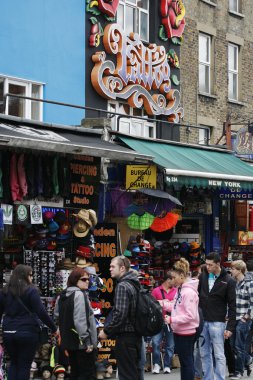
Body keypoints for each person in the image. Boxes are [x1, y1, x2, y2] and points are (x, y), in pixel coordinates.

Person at [0, 264, 57, 380]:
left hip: (9, 332)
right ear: (25, 276)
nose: (32, 278)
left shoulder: (4, 292)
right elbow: (41, 312)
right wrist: (54, 328)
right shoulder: (31, 290)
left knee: (14, 363)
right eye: (31, 275)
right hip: (27, 332)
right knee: (24, 365)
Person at [98, 256, 142, 380]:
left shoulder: (123, 286)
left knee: (127, 375)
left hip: (126, 337)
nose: (109, 269)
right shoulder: (134, 284)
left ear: (122, 268)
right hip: (135, 335)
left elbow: (120, 315)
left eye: (113, 266)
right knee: (134, 374)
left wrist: (106, 331)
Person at [198, 252, 236, 380]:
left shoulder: (228, 280)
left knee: (219, 354)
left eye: (210, 265)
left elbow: (232, 305)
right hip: (203, 321)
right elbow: (198, 297)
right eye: (206, 264)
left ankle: (219, 378)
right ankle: (208, 378)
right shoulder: (202, 276)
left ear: (218, 264)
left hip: (218, 322)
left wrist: (230, 327)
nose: (208, 267)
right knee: (204, 353)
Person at [55, 267, 97, 380]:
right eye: (84, 279)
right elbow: (80, 320)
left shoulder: (62, 295)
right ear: (75, 280)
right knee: (86, 374)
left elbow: (57, 316)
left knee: (75, 372)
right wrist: (87, 340)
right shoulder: (80, 295)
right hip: (82, 343)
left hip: (69, 342)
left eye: (88, 279)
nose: (88, 281)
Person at [164, 258, 199, 380]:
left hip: (186, 332)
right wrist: (163, 304)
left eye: (174, 277)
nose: (172, 281)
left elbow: (190, 315)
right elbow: (176, 306)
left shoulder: (188, 292)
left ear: (182, 275)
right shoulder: (181, 290)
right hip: (181, 331)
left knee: (187, 362)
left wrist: (172, 320)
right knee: (185, 362)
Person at [230, 260, 253, 379]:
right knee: (233, 344)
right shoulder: (234, 283)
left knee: (239, 346)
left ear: (239, 270)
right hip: (234, 317)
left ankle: (239, 372)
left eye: (233, 269)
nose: (231, 270)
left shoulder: (249, 283)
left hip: (244, 319)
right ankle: (248, 359)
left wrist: (247, 317)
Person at [151, 272, 177, 374]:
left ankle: (167, 365)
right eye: (173, 279)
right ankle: (156, 364)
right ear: (168, 280)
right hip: (158, 321)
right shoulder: (156, 291)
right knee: (155, 343)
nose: (174, 282)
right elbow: (151, 306)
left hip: (171, 321)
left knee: (170, 345)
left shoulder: (176, 291)